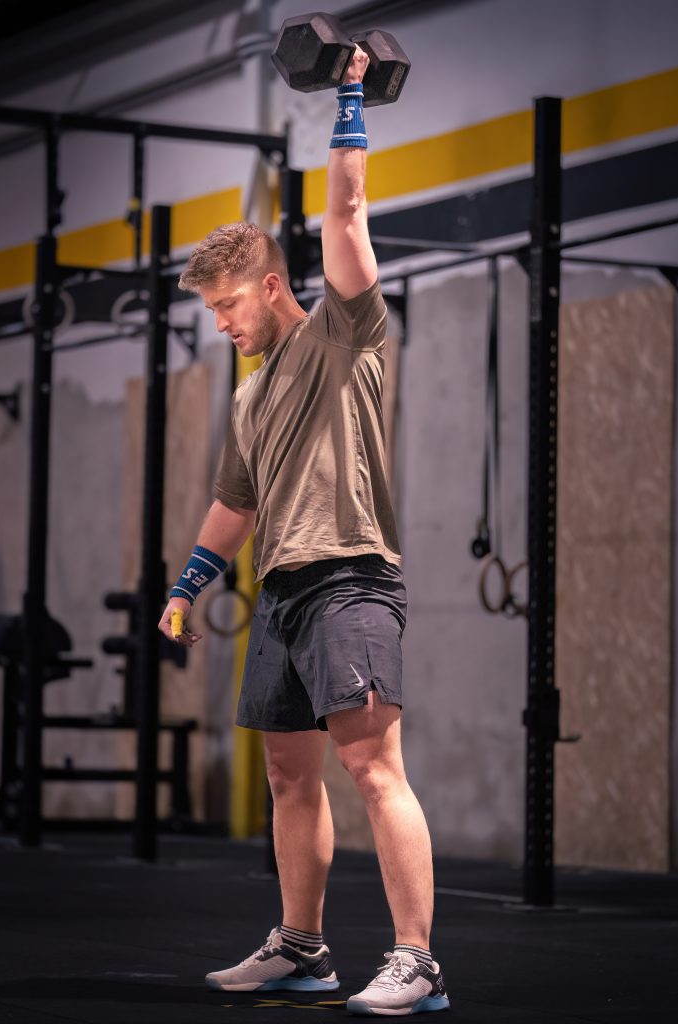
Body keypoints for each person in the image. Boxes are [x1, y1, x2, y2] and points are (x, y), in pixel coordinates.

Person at [158, 45, 449, 1018]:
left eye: (229, 305)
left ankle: (415, 958)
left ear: (274, 287)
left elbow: (347, 215)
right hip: (279, 591)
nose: (222, 324)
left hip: (351, 577)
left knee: (371, 765)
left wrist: (350, 94)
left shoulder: (343, 335)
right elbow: (233, 502)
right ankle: (302, 946)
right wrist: (184, 585)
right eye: (210, 312)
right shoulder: (248, 399)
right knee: (290, 777)